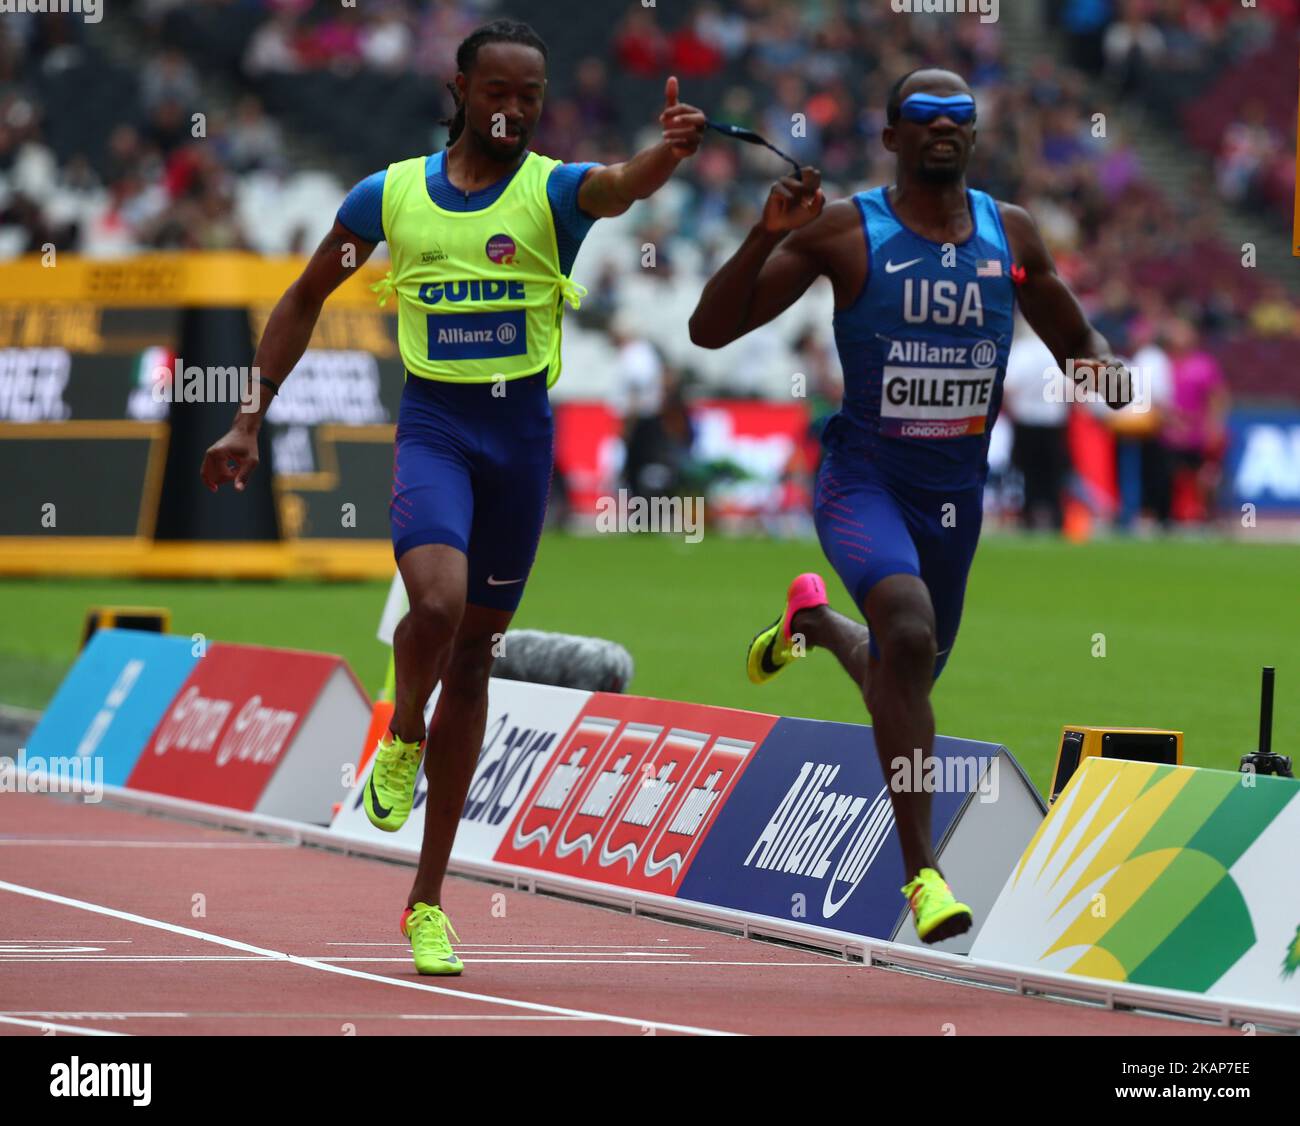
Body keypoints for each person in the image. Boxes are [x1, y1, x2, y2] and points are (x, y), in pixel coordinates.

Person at [201, 18, 707, 975]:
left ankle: (427, 901)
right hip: (436, 426)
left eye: (532, 96)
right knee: (434, 602)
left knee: (474, 650)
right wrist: (247, 417)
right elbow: (304, 297)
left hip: (521, 442)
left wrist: (665, 154)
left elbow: (618, 184)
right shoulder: (388, 196)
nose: (514, 110)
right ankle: (402, 727)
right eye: (498, 92)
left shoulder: (552, 192)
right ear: (462, 89)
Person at [689, 68, 1131, 944]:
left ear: (974, 136)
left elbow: (1075, 335)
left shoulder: (1014, 233)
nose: (943, 128)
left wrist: (1107, 373)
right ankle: (924, 874)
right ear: (891, 136)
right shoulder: (847, 232)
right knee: (909, 629)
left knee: (907, 671)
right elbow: (711, 328)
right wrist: (761, 233)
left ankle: (809, 626)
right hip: (865, 479)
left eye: (959, 118)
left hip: (955, 498)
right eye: (923, 118)